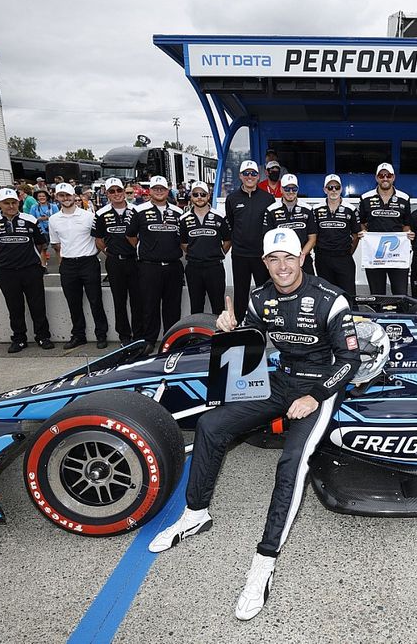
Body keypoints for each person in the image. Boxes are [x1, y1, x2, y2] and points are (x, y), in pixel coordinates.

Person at [149, 227, 360, 621]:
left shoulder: (331, 298)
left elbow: (350, 361)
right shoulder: (260, 297)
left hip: (320, 386)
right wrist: (230, 330)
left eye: (288, 258)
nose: (281, 266)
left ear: (301, 259)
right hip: (280, 380)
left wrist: (314, 395)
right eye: (273, 259)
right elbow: (254, 342)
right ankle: (195, 514)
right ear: (264, 263)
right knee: (211, 425)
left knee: (291, 465)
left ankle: (264, 561)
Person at [0, 188, 54, 353]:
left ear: (19, 202)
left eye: (14, 202)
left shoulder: (30, 220)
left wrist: (40, 264)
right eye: (6, 203)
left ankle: (43, 336)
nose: (10, 206)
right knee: (14, 307)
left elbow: (40, 244)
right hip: (7, 271)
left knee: (38, 305)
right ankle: (19, 338)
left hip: (31, 269)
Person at [126, 175, 185, 352]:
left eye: (162, 188)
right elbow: (130, 236)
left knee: (172, 306)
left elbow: (183, 238)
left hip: (173, 266)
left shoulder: (178, 212)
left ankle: (171, 340)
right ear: (149, 191)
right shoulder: (139, 210)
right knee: (149, 305)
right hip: (148, 266)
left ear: (167, 190)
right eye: (155, 189)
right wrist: (147, 249)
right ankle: (149, 341)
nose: (159, 191)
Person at [48, 183, 108, 350]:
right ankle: (78, 335)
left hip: (88, 262)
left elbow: (98, 240)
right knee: (73, 303)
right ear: (57, 197)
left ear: (74, 196)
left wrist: (92, 254)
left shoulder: (88, 216)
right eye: (61, 196)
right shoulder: (54, 220)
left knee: (95, 300)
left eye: (68, 195)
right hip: (68, 264)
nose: (65, 199)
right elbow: (56, 245)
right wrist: (63, 263)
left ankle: (101, 335)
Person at [94, 177, 143, 345]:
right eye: (112, 191)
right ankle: (124, 337)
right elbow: (99, 240)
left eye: (119, 190)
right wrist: (110, 253)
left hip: (135, 261)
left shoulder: (136, 210)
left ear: (124, 191)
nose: (116, 194)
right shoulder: (101, 214)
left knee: (138, 301)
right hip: (115, 262)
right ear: (107, 194)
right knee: (119, 301)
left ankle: (138, 335)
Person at [225, 160, 274, 322]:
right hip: (240, 255)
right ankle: (240, 324)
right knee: (240, 292)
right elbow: (231, 224)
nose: (250, 176)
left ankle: (264, 322)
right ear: (240, 176)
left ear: (258, 176)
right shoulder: (232, 199)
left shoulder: (268, 199)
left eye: (253, 173)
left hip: (262, 255)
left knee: (264, 291)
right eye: (246, 173)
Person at [180, 181, 231, 315]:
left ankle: (218, 336)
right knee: (196, 307)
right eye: (196, 194)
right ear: (191, 197)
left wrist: (217, 253)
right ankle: (197, 336)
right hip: (193, 268)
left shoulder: (220, 216)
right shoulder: (184, 219)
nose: (199, 197)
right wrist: (196, 252)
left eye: (203, 194)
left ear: (208, 196)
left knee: (218, 306)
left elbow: (228, 240)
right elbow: (183, 243)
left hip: (215, 267)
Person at [359, 163, 411, 295]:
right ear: (377, 178)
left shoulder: (404, 198)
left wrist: (408, 235)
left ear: (394, 177)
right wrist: (364, 232)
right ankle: (378, 315)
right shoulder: (365, 198)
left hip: (397, 255)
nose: (385, 178)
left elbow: (406, 224)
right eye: (382, 175)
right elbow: (362, 222)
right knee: (377, 294)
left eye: (388, 175)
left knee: (400, 293)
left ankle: (400, 316)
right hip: (375, 255)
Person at [313, 174, 361, 296]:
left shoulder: (350, 209)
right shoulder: (316, 209)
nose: (333, 190)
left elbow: (356, 235)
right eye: (330, 187)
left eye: (337, 187)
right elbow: (312, 234)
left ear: (341, 189)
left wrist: (349, 252)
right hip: (323, 259)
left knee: (348, 295)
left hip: (344, 258)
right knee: (325, 295)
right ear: (325, 189)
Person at [264, 174, 317, 274]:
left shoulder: (308, 209)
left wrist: (301, 256)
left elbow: (313, 238)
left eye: (294, 189)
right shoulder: (271, 210)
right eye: (287, 189)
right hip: (281, 261)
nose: (291, 192)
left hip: (303, 258)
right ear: (281, 189)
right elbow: (268, 238)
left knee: (309, 288)